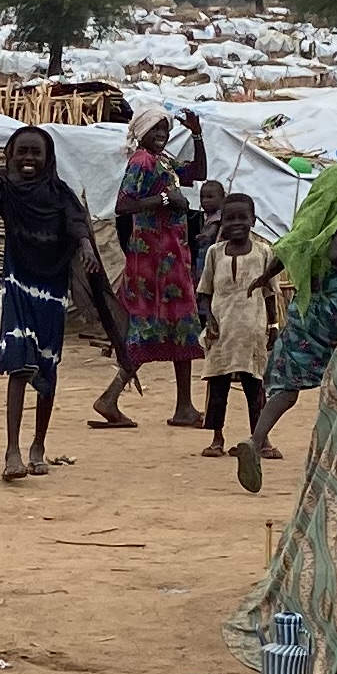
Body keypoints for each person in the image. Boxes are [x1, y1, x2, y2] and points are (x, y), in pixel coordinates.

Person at [0, 125, 93, 483]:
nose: (29, 158)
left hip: (52, 291)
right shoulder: (10, 192)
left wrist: (85, 246)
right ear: (10, 155)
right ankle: (12, 451)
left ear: (49, 158)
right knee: (20, 362)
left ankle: (38, 446)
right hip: (18, 285)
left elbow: (77, 223)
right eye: (23, 151)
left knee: (47, 368)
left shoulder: (61, 194)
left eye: (37, 152)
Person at [233, 160, 337, 492]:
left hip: (305, 310)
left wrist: (265, 276)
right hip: (335, 311)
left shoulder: (308, 222)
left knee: (288, 386)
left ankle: (256, 439)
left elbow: (288, 249)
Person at [93, 109, 211, 432]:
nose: (162, 133)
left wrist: (197, 134)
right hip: (152, 261)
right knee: (149, 327)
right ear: (142, 131)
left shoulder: (164, 161)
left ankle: (184, 405)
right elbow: (123, 205)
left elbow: (198, 173)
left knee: (181, 325)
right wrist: (163, 199)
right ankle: (111, 396)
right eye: (155, 128)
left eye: (165, 128)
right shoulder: (141, 162)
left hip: (171, 258)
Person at [195, 186, 283, 457]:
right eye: (230, 219)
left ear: (253, 221)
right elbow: (205, 292)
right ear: (222, 221)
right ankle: (216, 438)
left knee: (254, 387)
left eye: (242, 218)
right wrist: (208, 320)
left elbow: (270, 293)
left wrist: (273, 325)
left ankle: (260, 440)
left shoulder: (264, 253)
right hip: (222, 332)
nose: (236, 224)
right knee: (217, 386)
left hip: (252, 332)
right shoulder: (214, 254)